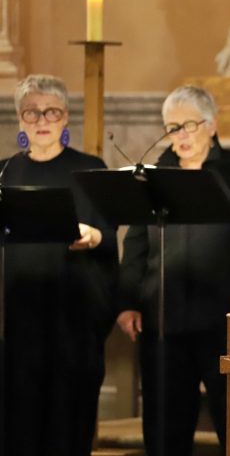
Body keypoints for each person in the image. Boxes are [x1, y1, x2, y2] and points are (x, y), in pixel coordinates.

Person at [117, 86, 230, 456]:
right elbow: (136, 243)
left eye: (188, 125)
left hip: (226, 317)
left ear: (212, 125)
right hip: (162, 319)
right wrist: (127, 302)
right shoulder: (151, 177)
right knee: (165, 426)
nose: (180, 136)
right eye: (172, 128)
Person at [1, 74, 118, 456]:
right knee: (18, 425)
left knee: (69, 426)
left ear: (65, 117)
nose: (41, 120)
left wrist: (93, 236)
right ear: (20, 120)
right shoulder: (4, 173)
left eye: (51, 111)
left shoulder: (89, 168)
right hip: (17, 320)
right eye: (31, 112)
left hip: (74, 318)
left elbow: (107, 233)